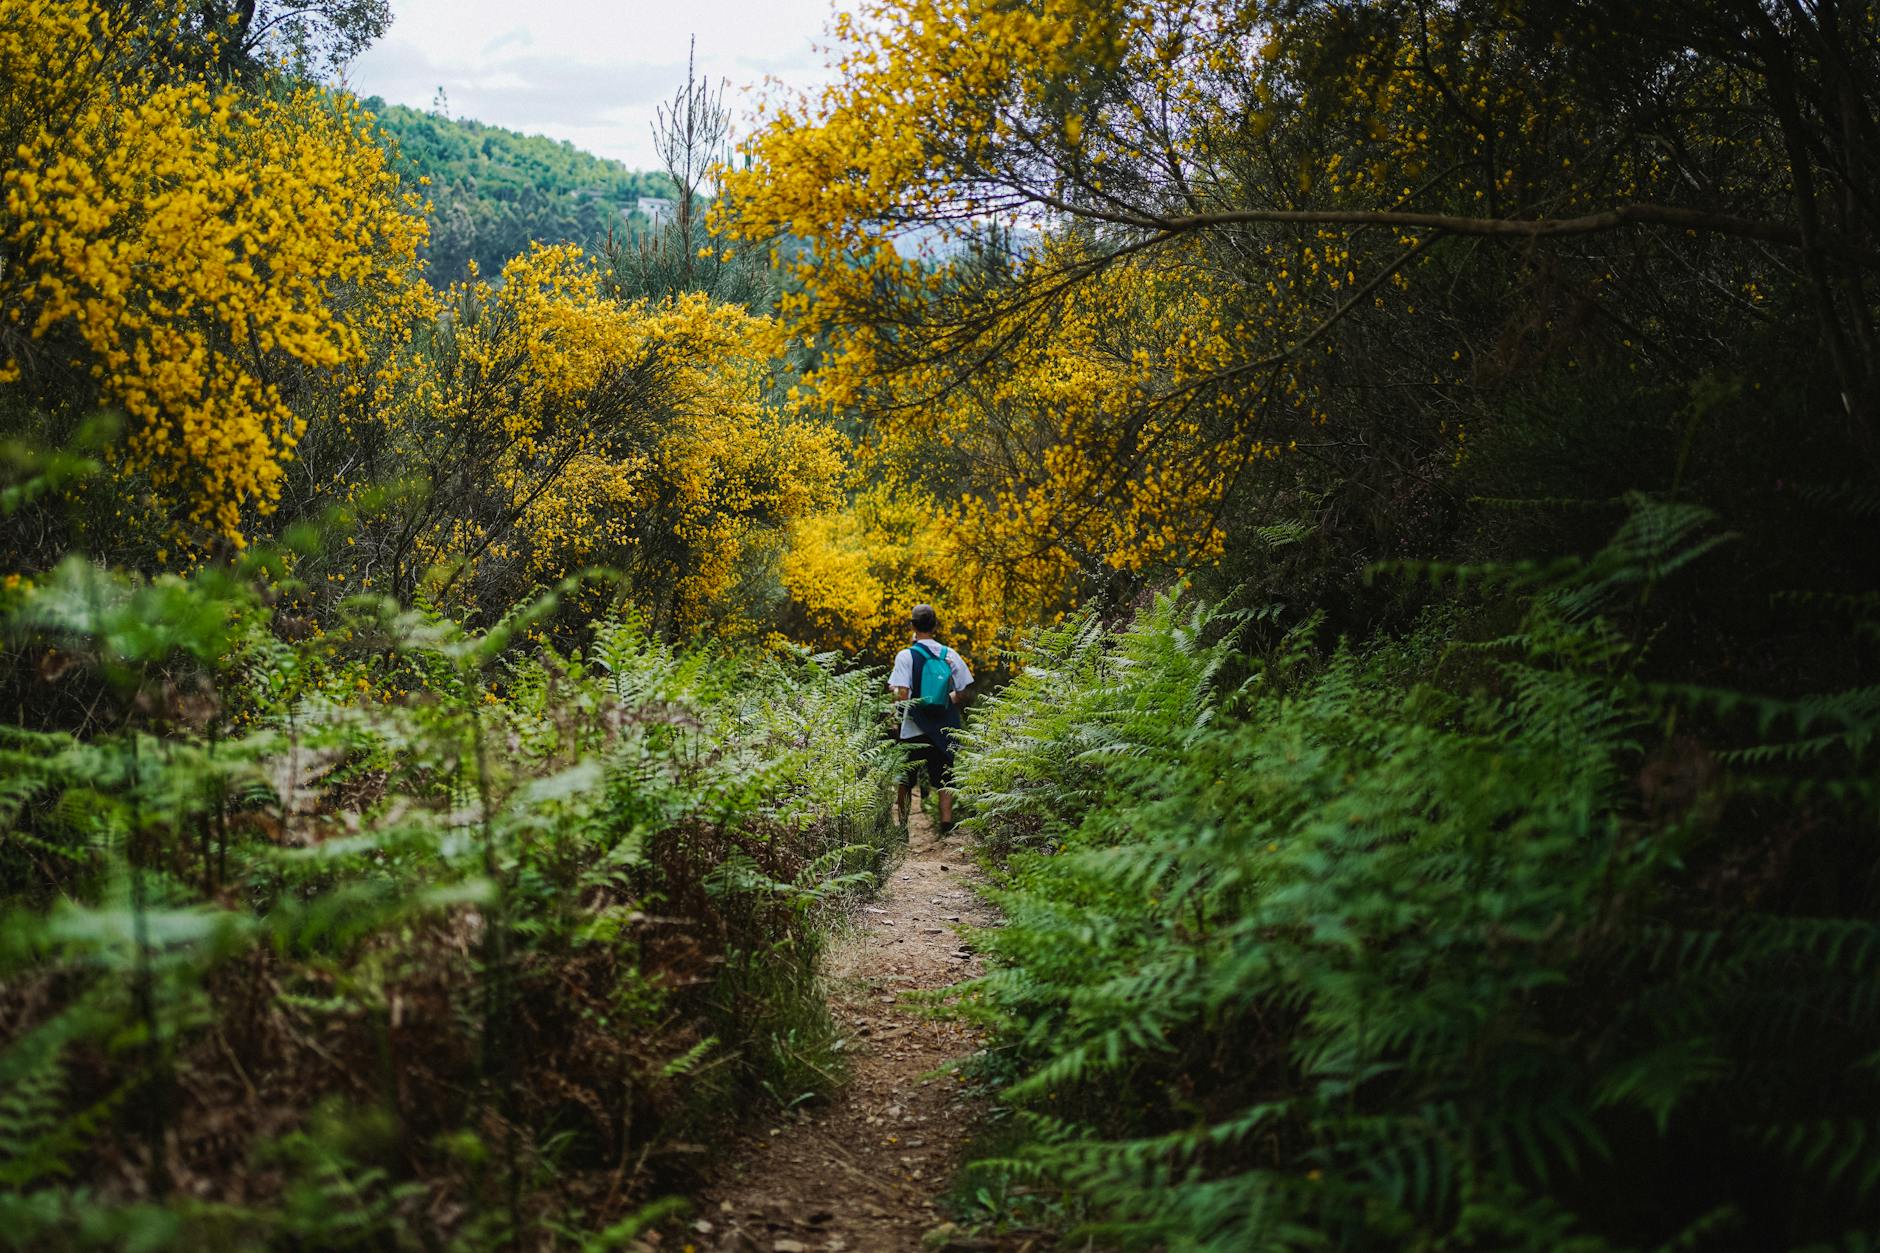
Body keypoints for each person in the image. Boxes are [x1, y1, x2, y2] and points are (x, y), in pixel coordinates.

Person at [889, 603, 974, 834]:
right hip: (944, 728)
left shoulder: (906, 656)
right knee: (945, 778)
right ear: (935, 625)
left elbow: (903, 694)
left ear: (912, 626)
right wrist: (944, 700)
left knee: (906, 779)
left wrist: (897, 713)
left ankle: (903, 827)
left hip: (913, 728)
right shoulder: (950, 654)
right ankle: (946, 826)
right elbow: (965, 690)